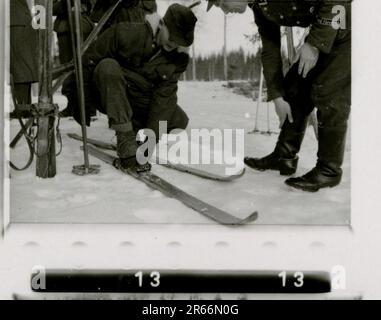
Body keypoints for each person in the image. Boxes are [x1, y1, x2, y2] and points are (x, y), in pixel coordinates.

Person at [207, 0, 351, 192]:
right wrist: (276, 96)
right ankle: (284, 156)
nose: (224, 11)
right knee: (294, 87)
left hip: (347, 30)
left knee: (329, 96)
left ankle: (329, 170)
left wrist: (314, 43)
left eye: (221, 3)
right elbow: (270, 50)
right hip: (327, 30)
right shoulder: (259, 7)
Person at [67, 3, 197, 172]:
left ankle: (135, 132)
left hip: (137, 98)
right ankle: (125, 137)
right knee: (108, 66)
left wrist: (149, 142)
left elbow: (164, 99)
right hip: (108, 93)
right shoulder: (125, 33)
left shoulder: (178, 59)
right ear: (162, 24)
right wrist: (79, 102)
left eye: (179, 42)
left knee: (178, 119)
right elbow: (86, 63)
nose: (173, 44)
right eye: (172, 37)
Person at [53, 0, 95, 117]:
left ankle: (88, 106)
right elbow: (51, 9)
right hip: (65, 28)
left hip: (82, 26)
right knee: (67, 68)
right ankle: (71, 105)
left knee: (85, 65)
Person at [10, 0, 39, 108]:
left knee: (19, 66)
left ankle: (23, 106)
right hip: (19, 20)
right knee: (20, 66)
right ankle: (24, 106)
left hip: (17, 22)